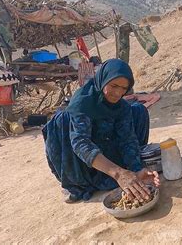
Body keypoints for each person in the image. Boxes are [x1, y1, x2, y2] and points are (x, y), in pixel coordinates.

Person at [43, 59, 160, 203]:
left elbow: (127, 139)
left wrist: (136, 169)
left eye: (124, 88)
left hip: (106, 144)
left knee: (137, 110)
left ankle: (118, 171)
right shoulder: (82, 102)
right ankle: (79, 182)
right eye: (114, 86)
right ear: (103, 80)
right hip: (81, 158)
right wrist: (118, 174)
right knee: (62, 120)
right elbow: (81, 144)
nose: (118, 93)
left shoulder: (121, 106)